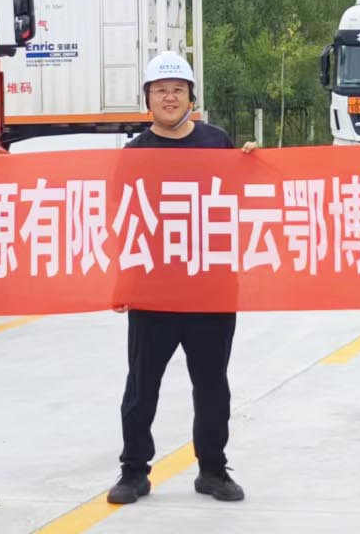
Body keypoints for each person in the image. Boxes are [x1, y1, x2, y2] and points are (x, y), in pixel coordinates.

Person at [108, 51, 257, 506]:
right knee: (142, 386)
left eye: (178, 90)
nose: (169, 97)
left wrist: (251, 162)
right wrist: (123, 282)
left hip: (210, 288)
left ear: (191, 97)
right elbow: (122, 220)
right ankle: (134, 471)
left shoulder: (217, 142)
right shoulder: (135, 154)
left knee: (212, 385)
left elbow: (243, 199)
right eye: (160, 90)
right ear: (147, 99)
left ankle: (212, 469)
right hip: (153, 291)